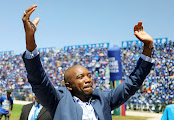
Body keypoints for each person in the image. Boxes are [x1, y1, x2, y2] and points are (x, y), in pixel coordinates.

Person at [22, 5, 154, 120]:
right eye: (80, 77)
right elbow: (38, 80)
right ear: (69, 86)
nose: (88, 80)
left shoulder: (103, 99)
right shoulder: (58, 100)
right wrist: (30, 39)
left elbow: (132, 83)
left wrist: (148, 47)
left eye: (89, 76)